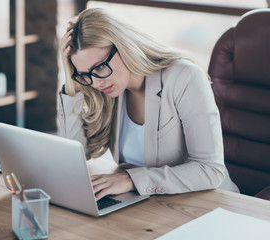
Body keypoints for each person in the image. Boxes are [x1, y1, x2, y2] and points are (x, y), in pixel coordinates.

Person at [57, 8, 239, 201]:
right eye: (85, 74)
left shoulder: (184, 77)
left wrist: (130, 180)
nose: (95, 82)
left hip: (209, 203)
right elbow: (75, 160)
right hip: (152, 203)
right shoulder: (107, 89)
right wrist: (71, 80)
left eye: (100, 67)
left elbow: (209, 169)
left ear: (125, 46)